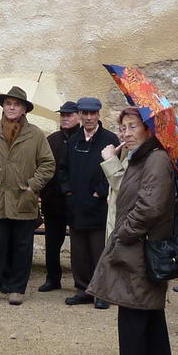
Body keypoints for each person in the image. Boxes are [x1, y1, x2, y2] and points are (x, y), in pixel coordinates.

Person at [88, 107, 175, 355]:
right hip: (137, 245)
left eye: (132, 126)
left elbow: (150, 206)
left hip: (139, 246)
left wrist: (124, 232)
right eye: (123, 127)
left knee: (133, 315)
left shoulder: (156, 159)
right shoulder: (141, 157)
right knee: (143, 312)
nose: (126, 132)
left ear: (149, 129)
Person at [0, 86, 55, 305]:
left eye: (16, 104)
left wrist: (32, 186)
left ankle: (17, 289)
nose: (11, 107)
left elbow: (48, 164)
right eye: (8, 103)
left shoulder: (35, 134)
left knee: (22, 246)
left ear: (24, 109)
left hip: (24, 200)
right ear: (3, 106)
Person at [58, 97, 120, 309]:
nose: (89, 118)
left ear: (98, 114)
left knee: (99, 252)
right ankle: (83, 289)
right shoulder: (73, 140)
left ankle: (101, 292)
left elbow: (115, 168)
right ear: (80, 115)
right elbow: (62, 169)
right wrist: (67, 191)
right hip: (76, 206)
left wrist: (100, 192)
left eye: (93, 113)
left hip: (98, 207)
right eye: (85, 113)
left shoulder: (109, 139)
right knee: (79, 253)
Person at [38, 101, 79, 292]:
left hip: (76, 200)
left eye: (69, 114)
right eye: (62, 114)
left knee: (79, 244)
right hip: (53, 200)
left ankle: (82, 281)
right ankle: (52, 278)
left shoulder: (83, 139)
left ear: (78, 116)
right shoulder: (52, 139)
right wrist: (45, 192)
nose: (65, 117)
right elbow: (42, 166)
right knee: (52, 242)